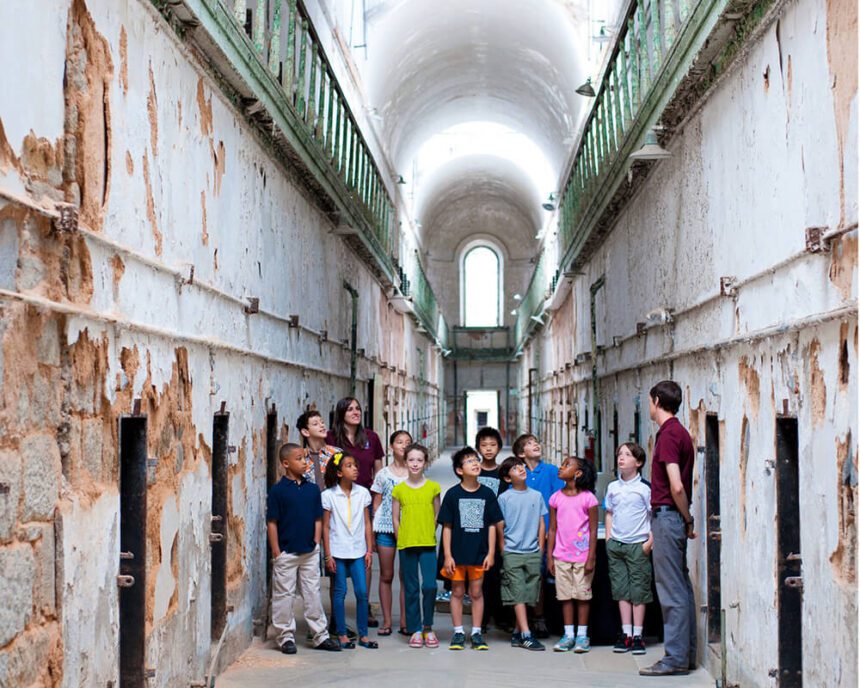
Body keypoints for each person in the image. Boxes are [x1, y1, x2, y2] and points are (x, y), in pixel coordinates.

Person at [640, 381, 697, 677]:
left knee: (670, 590)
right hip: (672, 518)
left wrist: (686, 518)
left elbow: (675, 484)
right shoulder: (680, 433)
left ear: (658, 400)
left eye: (650, 401)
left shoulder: (669, 436)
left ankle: (674, 658)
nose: (648, 406)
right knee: (681, 587)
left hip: (668, 517)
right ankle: (685, 654)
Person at [266, 443, 340, 654]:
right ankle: (285, 636)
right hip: (287, 552)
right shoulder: (278, 491)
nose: (305, 462)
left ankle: (320, 635)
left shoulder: (312, 489)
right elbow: (272, 522)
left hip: (309, 551)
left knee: (312, 593)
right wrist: (276, 552)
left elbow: (318, 518)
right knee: (284, 595)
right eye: (299, 459)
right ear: (285, 463)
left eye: (305, 458)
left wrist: (316, 542)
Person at [438, 446, 504, 651]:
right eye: (469, 461)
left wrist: (491, 552)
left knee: (476, 592)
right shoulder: (452, 495)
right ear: (459, 470)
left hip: (479, 553)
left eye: (476, 460)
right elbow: (447, 527)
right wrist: (447, 555)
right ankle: (458, 632)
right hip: (457, 555)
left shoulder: (487, 494)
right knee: (457, 592)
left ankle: (476, 632)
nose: (475, 463)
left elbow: (493, 524)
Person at [326, 397, 385, 627]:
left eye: (358, 408)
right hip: (338, 500)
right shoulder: (331, 439)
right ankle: (334, 612)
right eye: (350, 409)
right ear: (340, 413)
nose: (355, 412)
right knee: (337, 552)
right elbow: (323, 467)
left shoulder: (371, 438)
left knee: (364, 551)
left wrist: (377, 500)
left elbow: (379, 471)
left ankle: (365, 605)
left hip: (364, 500)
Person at [296, 408, 353, 639]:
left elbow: (348, 481)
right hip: (308, 519)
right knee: (310, 573)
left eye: (322, 422)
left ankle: (337, 622)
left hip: (336, 519)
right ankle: (315, 624)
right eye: (316, 423)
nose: (322, 426)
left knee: (335, 571)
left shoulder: (336, 454)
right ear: (304, 430)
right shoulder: (298, 457)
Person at [321, 452, 377, 649]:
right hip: (337, 551)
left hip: (358, 551)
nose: (354, 469)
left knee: (362, 592)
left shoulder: (363, 493)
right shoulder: (328, 496)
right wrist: (327, 555)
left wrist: (369, 551)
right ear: (338, 473)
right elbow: (326, 527)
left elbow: (367, 524)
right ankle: (342, 634)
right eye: (349, 466)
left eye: (355, 465)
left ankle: (363, 635)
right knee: (340, 592)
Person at [513, 433, 563, 638]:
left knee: (539, 577)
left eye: (536, 442)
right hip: (520, 535)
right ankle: (520, 622)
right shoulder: (517, 473)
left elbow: (560, 502)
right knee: (519, 578)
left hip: (546, 535)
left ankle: (539, 617)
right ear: (520, 453)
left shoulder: (551, 471)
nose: (535, 445)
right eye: (529, 444)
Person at [392, 443, 442, 649]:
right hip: (407, 543)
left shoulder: (433, 487)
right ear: (405, 462)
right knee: (411, 588)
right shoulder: (399, 489)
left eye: (419, 460)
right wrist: (400, 537)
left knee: (429, 586)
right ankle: (415, 629)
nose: (415, 464)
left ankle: (428, 626)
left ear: (425, 462)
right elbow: (395, 517)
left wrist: (429, 530)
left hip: (428, 543)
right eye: (411, 460)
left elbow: (437, 514)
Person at [605, 442, 653, 655]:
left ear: (639, 462)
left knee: (638, 590)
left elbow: (653, 517)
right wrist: (608, 539)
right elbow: (609, 512)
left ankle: (638, 635)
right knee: (621, 590)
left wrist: (649, 543)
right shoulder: (613, 487)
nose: (621, 458)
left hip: (637, 545)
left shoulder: (644, 488)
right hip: (617, 544)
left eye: (627, 454)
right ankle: (625, 633)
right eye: (619, 454)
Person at [547, 456, 598, 653]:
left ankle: (582, 636)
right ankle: (568, 635)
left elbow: (593, 530)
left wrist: (591, 556)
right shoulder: (555, 498)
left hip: (583, 557)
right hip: (561, 555)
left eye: (567, 465)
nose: (561, 467)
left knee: (582, 596)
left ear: (578, 474)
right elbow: (552, 529)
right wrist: (550, 556)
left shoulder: (589, 499)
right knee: (565, 596)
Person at [496, 456, 547, 651]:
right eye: (515, 468)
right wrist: (503, 548)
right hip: (513, 551)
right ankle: (526, 634)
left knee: (528, 594)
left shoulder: (536, 495)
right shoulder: (504, 498)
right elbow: (500, 525)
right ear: (508, 479)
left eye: (521, 466)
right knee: (517, 592)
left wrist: (540, 547)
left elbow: (541, 523)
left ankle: (517, 633)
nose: (521, 469)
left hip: (533, 551)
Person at [371, 430, 411, 635]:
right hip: (385, 528)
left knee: (406, 577)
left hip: (408, 530)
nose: (403, 445)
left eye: (407, 442)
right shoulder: (383, 475)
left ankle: (404, 621)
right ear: (391, 447)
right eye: (399, 442)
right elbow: (376, 505)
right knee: (386, 575)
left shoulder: (416, 473)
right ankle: (387, 621)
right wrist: (372, 535)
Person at [475, 426, 507, 632]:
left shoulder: (502, 473)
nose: (488, 449)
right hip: (477, 531)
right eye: (484, 445)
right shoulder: (473, 470)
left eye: (492, 445)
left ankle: (501, 615)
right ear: (478, 448)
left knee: (498, 574)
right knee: (480, 576)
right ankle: (483, 618)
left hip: (497, 528)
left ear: (499, 448)